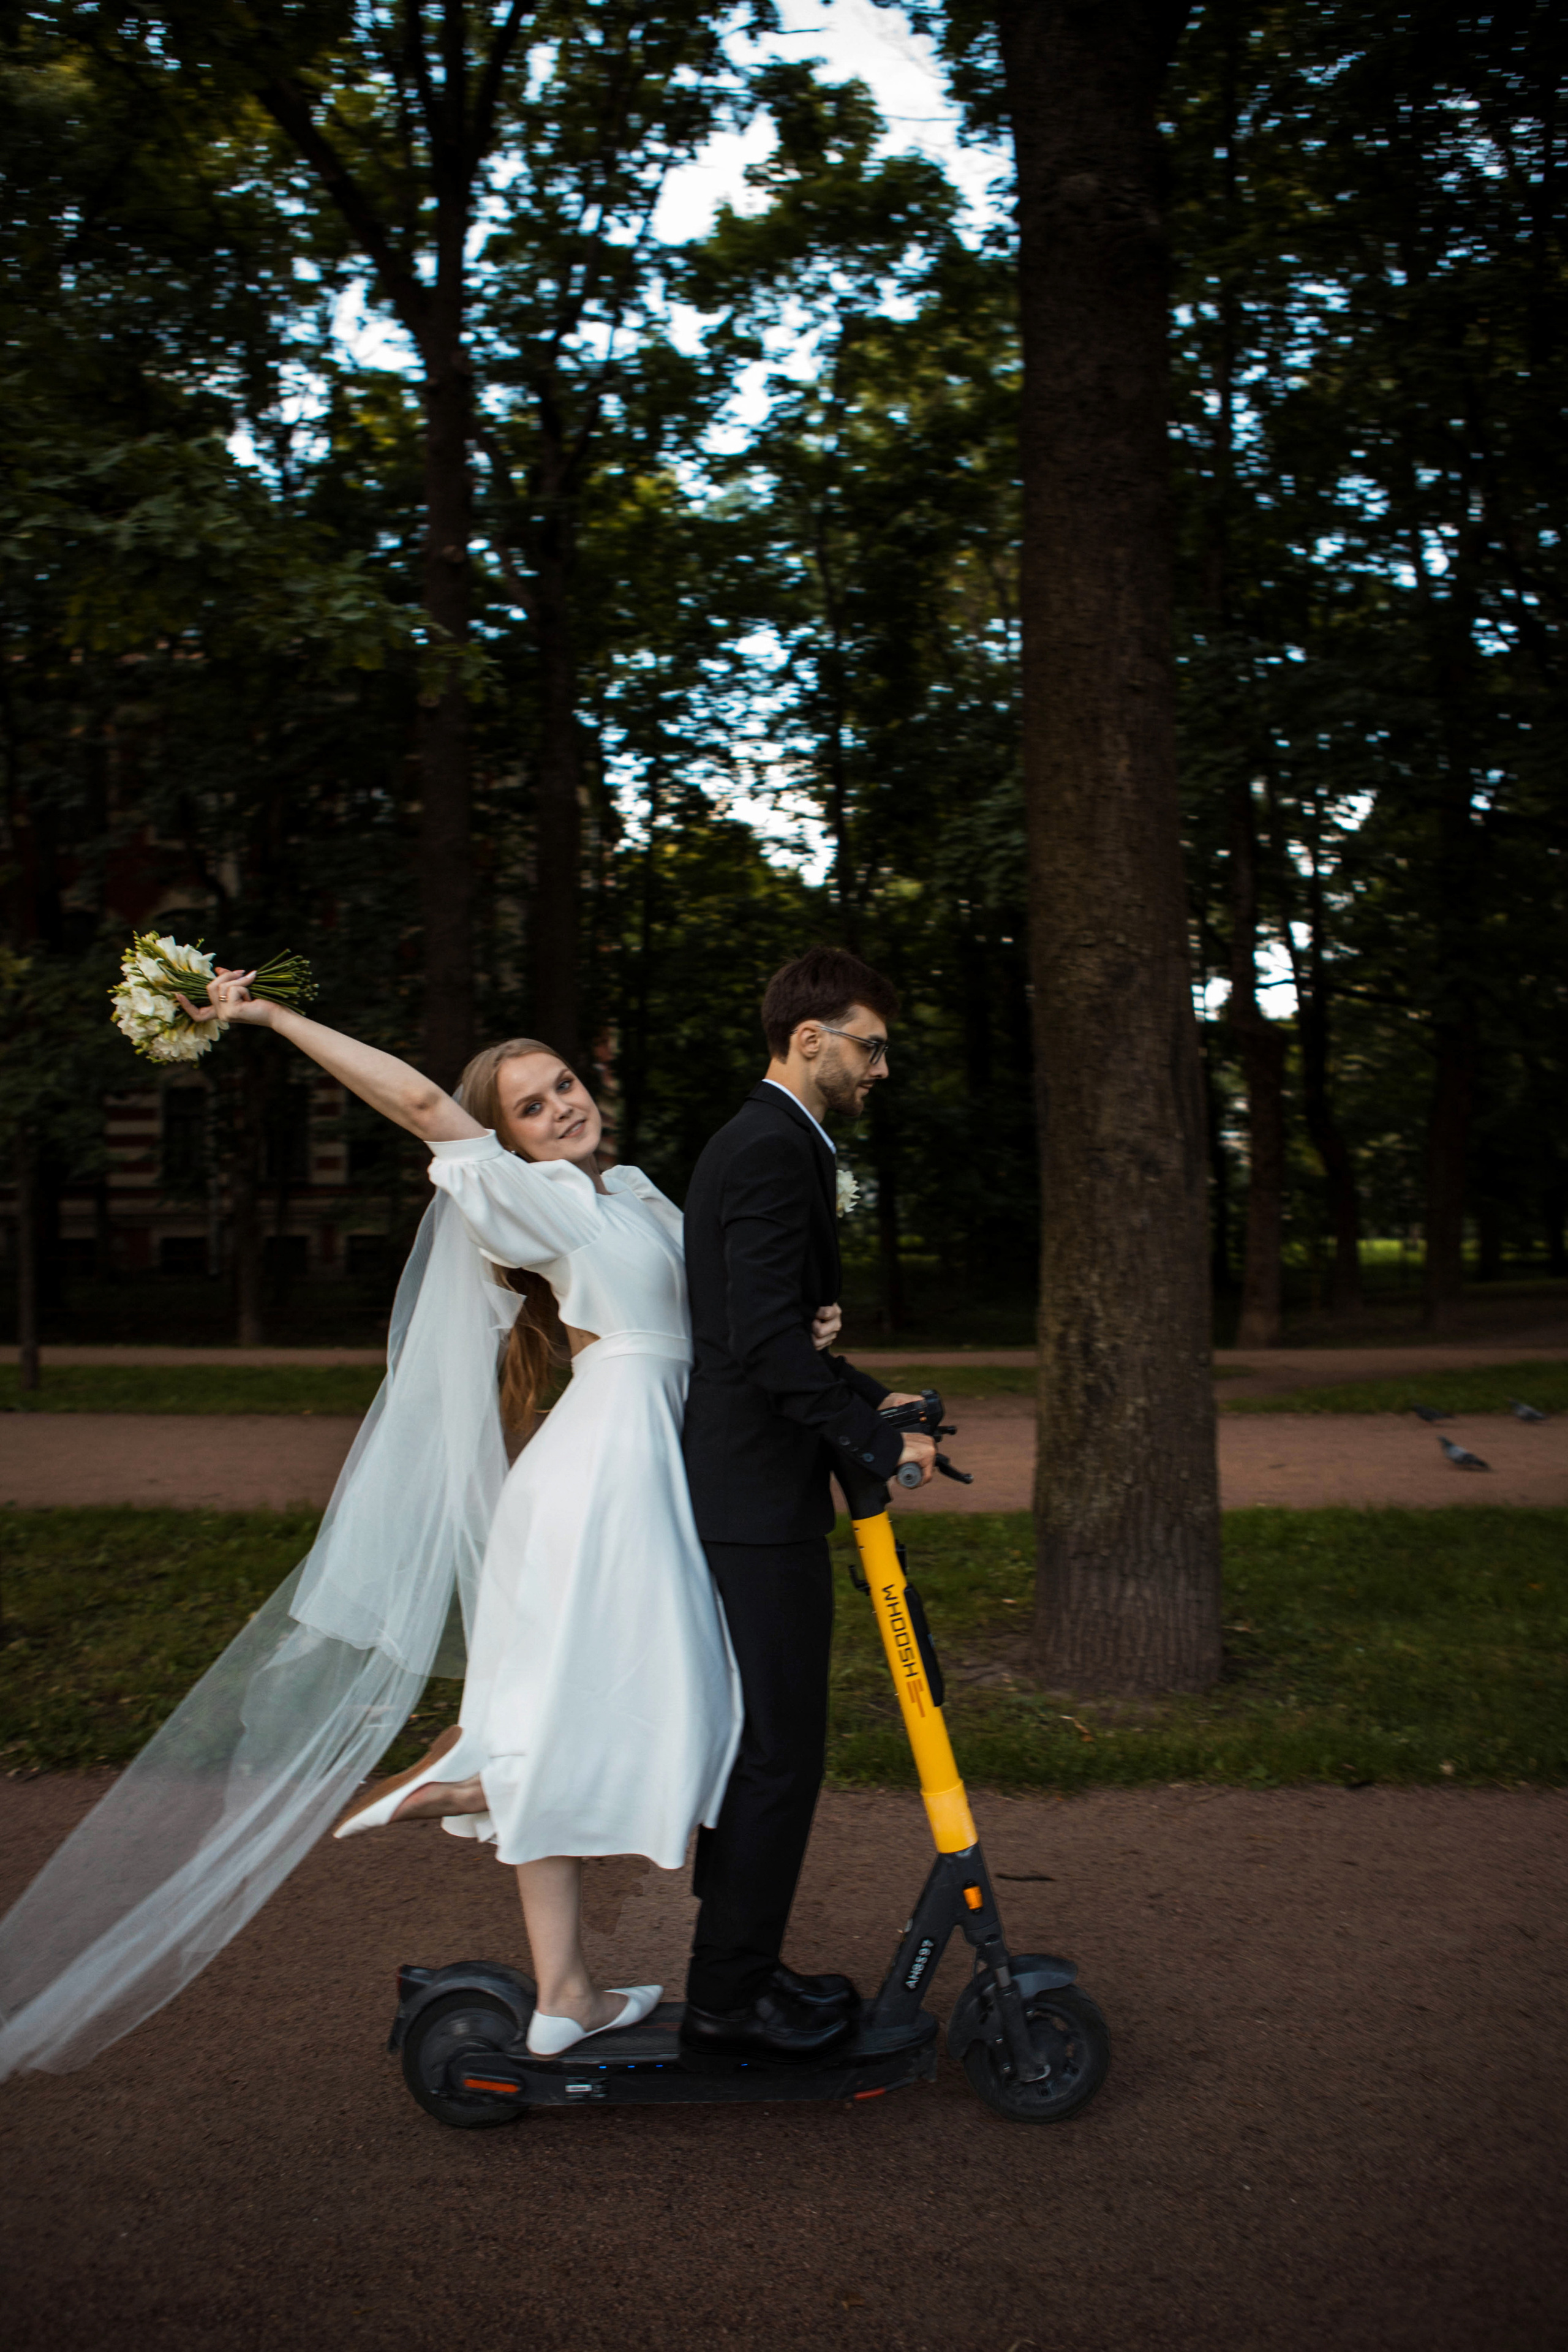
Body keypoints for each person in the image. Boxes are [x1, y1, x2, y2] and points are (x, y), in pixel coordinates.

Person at [0, 984, 765, 2078]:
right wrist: (271, 1020)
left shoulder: (634, 1192)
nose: (562, 1106)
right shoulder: (536, 1199)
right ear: (505, 1139)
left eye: (564, 1084)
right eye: (532, 1106)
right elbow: (416, 1101)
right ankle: (479, 1777)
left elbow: (727, 1310)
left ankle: (564, 1994)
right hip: (611, 1473)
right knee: (671, 1694)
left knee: (565, 1702)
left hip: (625, 1465)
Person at [677, 946, 935, 2067]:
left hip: (755, 1486)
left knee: (772, 1748)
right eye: (870, 1047)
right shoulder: (772, 1148)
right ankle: (727, 1999)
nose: (880, 1069)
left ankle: (740, 1972)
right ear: (810, 1038)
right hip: (752, 1496)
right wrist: (876, 1443)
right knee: (780, 1753)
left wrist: (876, 1397)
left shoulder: (772, 1140)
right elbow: (763, 1346)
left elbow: (775, 1330)